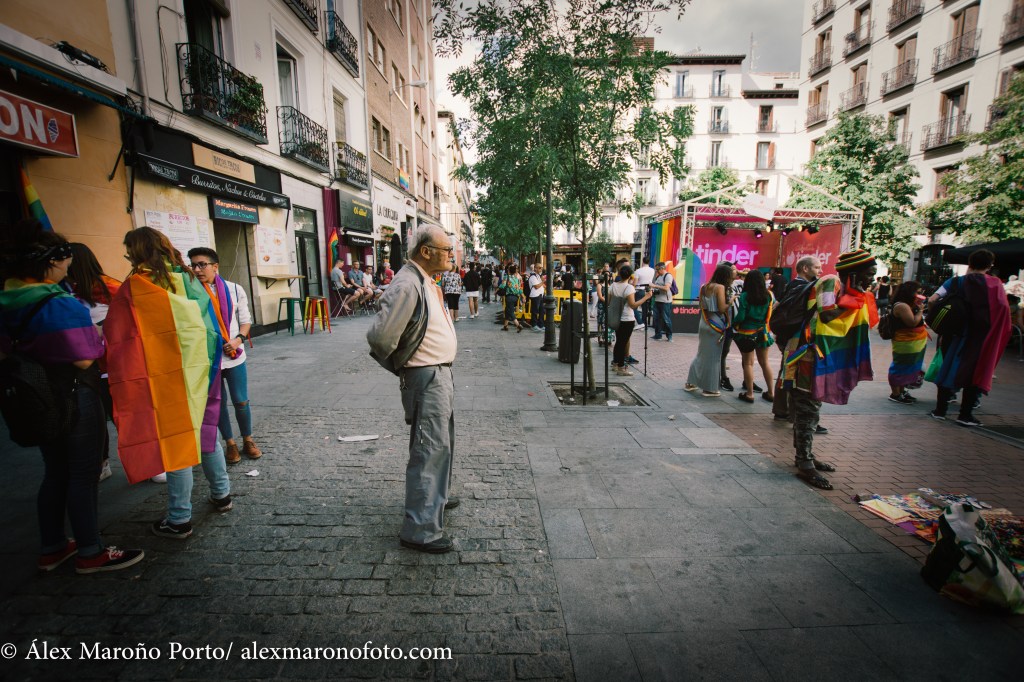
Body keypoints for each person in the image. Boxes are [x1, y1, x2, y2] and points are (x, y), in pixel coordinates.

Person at [0, 221, 145, 574]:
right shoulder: (59, 304)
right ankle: (91, 551)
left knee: (55, 471)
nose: (69, 266)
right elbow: (84, 357)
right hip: (74, 393)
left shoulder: (8, 299)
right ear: (50, 262)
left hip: (35, 396)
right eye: (65, 260)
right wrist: (97, 334)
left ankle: (52, 546)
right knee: (83, 473)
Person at [105, 227, 231, 538]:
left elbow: (121, 333)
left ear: (136, 253)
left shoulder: (139, 285)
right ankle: (222, 495)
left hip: (165, 376)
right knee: (206, 431)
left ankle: (179, 518)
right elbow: (211, 323)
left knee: (176, 444)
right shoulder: (187, 278)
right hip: (201, 369)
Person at [366, 226, 459, 554]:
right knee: (429, 449)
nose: (451, 254)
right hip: (426, 376)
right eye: (446, 249)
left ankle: (437, 499)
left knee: (440, 445)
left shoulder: (424, 279)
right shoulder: (407, 283)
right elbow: (380, 338)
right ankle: (420, 529)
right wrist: (406, 366)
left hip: (437, 374)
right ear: (426, 251)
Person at [784, 249, 879, 490]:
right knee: (807, 409)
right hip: (807, 355)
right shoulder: (830, 282)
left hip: (818, 355)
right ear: (853, 273)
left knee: (810, 409)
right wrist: (855, 302)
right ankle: (804, 462)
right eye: (869, 273)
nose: (872, 278)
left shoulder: (847, 289)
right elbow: (827, 315)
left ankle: (805, 456)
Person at [187, 247, 261, 464]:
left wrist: (238, 340)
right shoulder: (191, 293)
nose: (197, 270)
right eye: (193, 265)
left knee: (241, 401)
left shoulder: (234, 289)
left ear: (215, 266)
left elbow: (245, 320)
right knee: (217, 403)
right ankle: (230, 443)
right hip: (208, 359)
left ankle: (248, 439)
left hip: (234, 355)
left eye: (202, 264)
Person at [926, 249, 1011, 427]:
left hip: (954, 333)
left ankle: (940, 410)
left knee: (947, 367)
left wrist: (942, 321)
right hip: (980, 337)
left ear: (970, 263)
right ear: (990, 265)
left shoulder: (955, 282)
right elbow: (1003, 310)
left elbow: (932, 299)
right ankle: (965, 415)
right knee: (975, 371)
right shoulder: (995, 285)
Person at [65, 242, 121, 482]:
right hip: (82, 368)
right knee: (94, 419)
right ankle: (102, 462)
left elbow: (130, 322)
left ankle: (146, 463)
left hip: (112, 364)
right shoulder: (66, 293)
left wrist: (101, 329)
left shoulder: (111, 288)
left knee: (120, 415)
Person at [771, 255, 828, 436]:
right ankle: (799, 417)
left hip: (788, 337)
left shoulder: (792, 285)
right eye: (817, 267)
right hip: (798, 338)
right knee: (797, 376)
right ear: (805, 268)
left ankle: (781, 410)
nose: (820, 271)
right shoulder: (806, 288)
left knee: (786, 371)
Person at [684, 263, 734, 396]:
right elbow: (722, 308)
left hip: (704, 322)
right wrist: (731, 301)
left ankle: (691, 382)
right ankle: (709, 388)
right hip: (716, 325)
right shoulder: (720, 287)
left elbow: (702, 305)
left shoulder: (704, 286)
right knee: (714, 357)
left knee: (701, 354)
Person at [732, 269, 775, 403]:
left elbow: (741, 316)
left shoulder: (745, 296)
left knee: (748, 363)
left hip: (747, 333)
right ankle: (771, 392)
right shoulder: (769, 295)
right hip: (763, 332)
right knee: (765, 362)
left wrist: (734, 324)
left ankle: (749, 394)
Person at [887, 280, 928, 404]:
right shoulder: (902, 306)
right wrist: (920, 311)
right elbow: (912, 322)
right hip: (905, 342)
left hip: (914, 341)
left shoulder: (909, 305)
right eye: (917, 292)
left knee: (908, 366)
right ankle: (895, 394)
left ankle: (902, 391)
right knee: (900, 366)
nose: (920, 295)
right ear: (910, 292)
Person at [608, 265, 653, 376]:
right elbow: (633, 305)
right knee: (623, 343)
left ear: (619, 274)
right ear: (630, 276)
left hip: (616, 318)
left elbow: (608, 302)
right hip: (627, 318)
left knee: (619, 341)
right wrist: (646, 297)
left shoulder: (613, 286)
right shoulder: (629, 288)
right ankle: (621, 367)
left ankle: (615, 363)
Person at [719, 262, 743, 392]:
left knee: (746, 354)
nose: (736, 271)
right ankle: (723, 377)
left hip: (740, 325)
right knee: (724, 352)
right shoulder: (723, 287)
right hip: (728, 324)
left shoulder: (739, 283)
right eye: (733, 269)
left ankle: (748, 380)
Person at [650, 262, 674, 342]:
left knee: (666, 319)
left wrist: (655, 286)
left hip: (665, 301)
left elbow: (666, 288)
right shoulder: (658, 276)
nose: (656, 271)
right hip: (657, 300)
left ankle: (669, 335)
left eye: (657, 269)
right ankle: (658, 335)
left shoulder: (668, 276)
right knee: (656, 319)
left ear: (662, 268)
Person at [502, 264, 525, 332]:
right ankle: (505, 325)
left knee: (510, 311)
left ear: (508, 271)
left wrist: (497, 290)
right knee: (507, 310)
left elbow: (502, 286)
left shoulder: (506, 277)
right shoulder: (517, 278)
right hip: (516, 297)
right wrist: (523, 296)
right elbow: (520, 289)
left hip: (509, 296)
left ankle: (518, 325)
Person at [633, 257, 655, 328]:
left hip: (640, 290)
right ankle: (644, 323)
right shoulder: (652, 270)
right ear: (649, 262)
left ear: (642, 261)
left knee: (634, 307)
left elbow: (635, 283)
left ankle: (640, 322)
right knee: (645, 308)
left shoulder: (638, 271)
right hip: (649, 290)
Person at [527, 263, 546, 332]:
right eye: (540, 268)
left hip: (540, 295)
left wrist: (542, 282)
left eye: (541, 268)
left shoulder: (538, 276)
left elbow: (543, 286)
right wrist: (543, 281)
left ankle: (541, 324)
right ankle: (534, 325)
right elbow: (536, 286)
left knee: (541, 311)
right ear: (535, 268)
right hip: (535, 295)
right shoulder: (533, 277)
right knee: (535, 311)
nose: (541, 269)